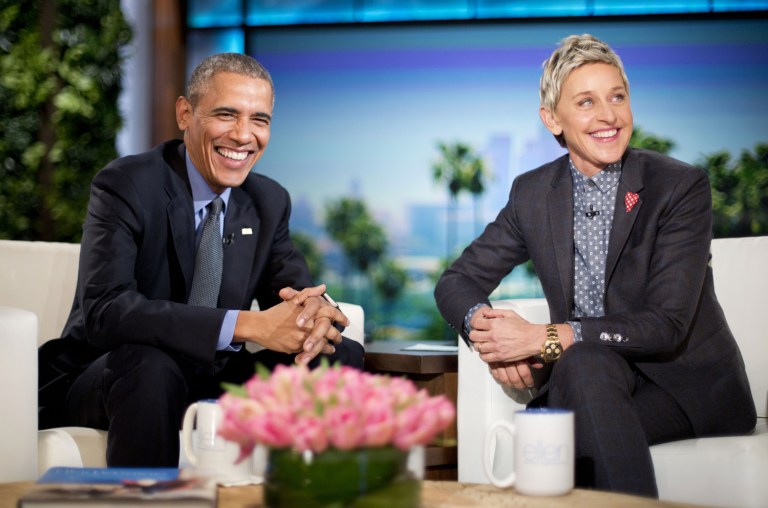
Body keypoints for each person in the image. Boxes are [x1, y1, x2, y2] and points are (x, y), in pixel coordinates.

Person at [434, 34, 755, 497]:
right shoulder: (533, 193)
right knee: (582, 368)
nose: (609, 116)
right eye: (586, 102)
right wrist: (488, 332)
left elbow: (666, 324)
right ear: (552, 120)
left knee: (571, 414)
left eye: (617, 97)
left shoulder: (679, 186)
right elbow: (458, 280)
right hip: (590, 375)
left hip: (683, 386)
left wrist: (542, 337)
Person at [38, 53, 364, 467]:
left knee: (339, 354)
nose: (244, 135)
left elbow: (294, 291)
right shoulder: (126, 185)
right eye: (227, 115)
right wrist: (248, 324)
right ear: (185, 113)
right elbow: (107, 311)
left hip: (211, 373)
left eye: (259, 120)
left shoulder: (267, 200)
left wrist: (315, 313)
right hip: (110, 373)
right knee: (151, 366)